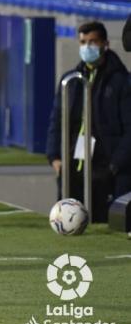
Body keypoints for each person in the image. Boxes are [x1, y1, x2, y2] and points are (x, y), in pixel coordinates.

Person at [46, 21, 131, 223]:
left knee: (107, 222)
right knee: (68, 222)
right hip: (74, 164)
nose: (87, 47)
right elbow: (57, 119)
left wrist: (115, 165)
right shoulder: (71, 80)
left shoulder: (122, 82)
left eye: (93, 42)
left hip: (107, 167)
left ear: (105, 44)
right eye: (83, 42)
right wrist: (54, 157)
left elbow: (129, 129)